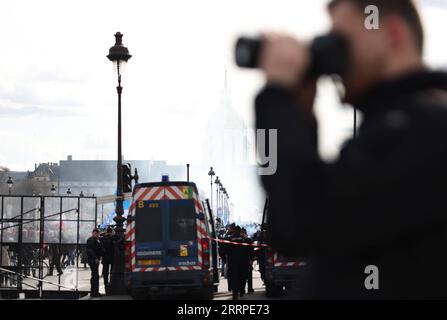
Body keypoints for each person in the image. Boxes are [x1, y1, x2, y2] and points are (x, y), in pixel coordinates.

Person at [255, 0, 447, 299]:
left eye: (342, 41)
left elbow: (300, 220)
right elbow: (287, 232)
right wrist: (298, 116)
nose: (337, 58)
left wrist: (276, 99)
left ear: (393, 34)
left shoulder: (426, 130)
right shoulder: (394, 126)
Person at [224, 226, 251, 300]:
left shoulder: (228, 239)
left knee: (233, 278)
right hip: (243, 262)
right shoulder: (244, 239)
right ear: (239, 231)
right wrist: (250, 258)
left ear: (234, 231)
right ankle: (241, 291)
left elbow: (222, 249)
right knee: (242, 277)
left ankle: (234, 293)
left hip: (232, 262)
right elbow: (250, 248)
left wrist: (224, 259)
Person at [87, 228, 103, 297]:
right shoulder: (91, 240)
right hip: (93, 260)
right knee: (95, 276)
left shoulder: (96, 240)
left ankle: (94, 291)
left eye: (98, 234)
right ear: (93, 233)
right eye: (96, 233)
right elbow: (90, 250)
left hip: (95, 260)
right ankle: (94, 292)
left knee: (95, 276)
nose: (97, 235)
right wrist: (95, 258)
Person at [241, 228, 255, 294]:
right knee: (249, 276)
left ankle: (243, 289)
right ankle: (249, 288)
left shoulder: (241, 240)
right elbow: (252, 251)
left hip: (243, 260)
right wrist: (252, 259)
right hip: (247, 260)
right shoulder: (248, 240)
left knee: (243, 276)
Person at [100, 226, 115, 292]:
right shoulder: (113, 238)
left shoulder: (103, 238)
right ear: (111, 232)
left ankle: (106, 284)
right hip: (112, 257)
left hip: (105, 257)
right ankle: (111, 284)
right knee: (112, 272)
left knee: (105, 272)